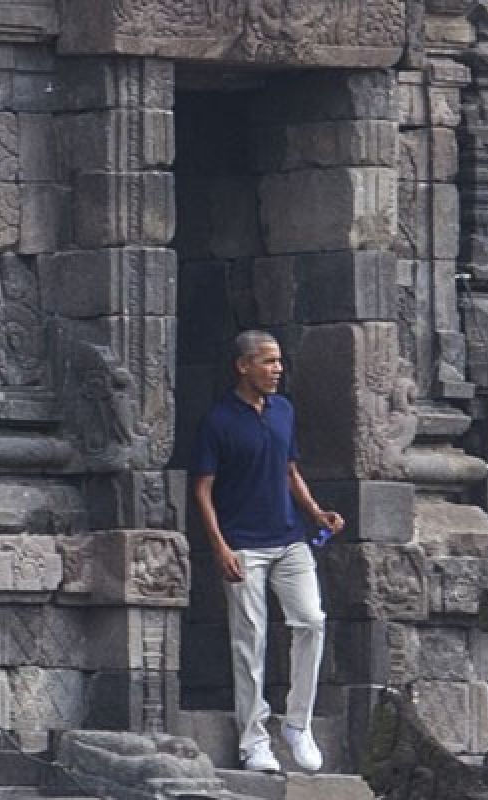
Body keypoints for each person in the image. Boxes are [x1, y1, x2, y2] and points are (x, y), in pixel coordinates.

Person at [191, 330, 345, 773]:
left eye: (279, 362)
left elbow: (289, 469)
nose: (277, 370)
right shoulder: (218, 420)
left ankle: (297, 723)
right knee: (250, 641)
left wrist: (316, 513)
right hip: (243, 544)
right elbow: (202, 489)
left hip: (290, 537)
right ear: (243, 366)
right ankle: (254, 740)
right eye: (268, 361)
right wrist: (220, 547)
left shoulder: (284, 411)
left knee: (312, 620)